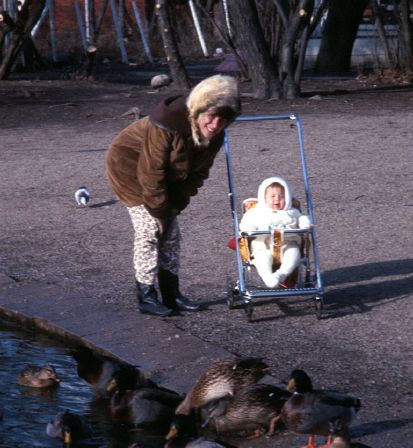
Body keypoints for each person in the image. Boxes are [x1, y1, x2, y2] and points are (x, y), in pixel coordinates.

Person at [106, 75, 241, 316]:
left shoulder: (216, 133)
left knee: (171, 233)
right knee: (149, 230)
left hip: (166, 176)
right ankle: (146, 296)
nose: (215, 124)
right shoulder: (166, 122)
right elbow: (151, 171)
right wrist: (160, 211)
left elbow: (198, 174)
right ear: (198, 110)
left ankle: (171, 294)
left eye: (223, 119)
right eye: (210, 116)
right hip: (130, 167)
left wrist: (176, 205)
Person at [239, 176, 311, 288]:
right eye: (272, 196)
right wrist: (249, 227)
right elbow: (246, 223)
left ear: (287, 197)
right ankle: (268, 278)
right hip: (263, 246)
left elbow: (301, 218)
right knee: (262, 258)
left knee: (294, 254)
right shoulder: (257, 212)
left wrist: (305, 223)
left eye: (281, 196)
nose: (277, 199)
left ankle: (281, 275)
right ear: (264, 198)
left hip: (288, 244)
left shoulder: (292, 212)